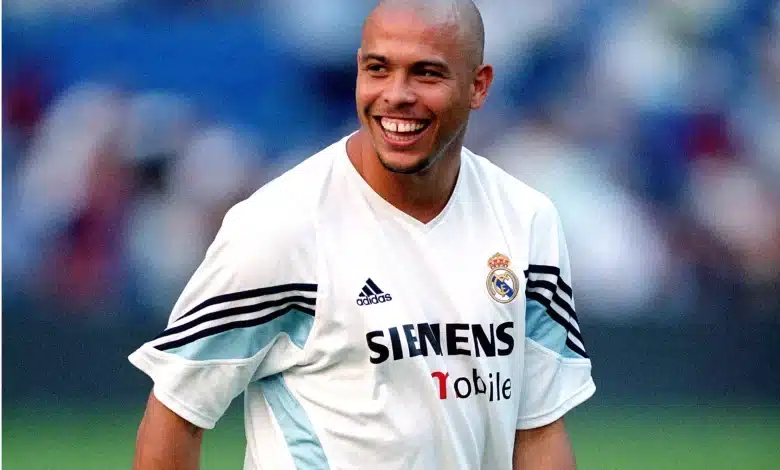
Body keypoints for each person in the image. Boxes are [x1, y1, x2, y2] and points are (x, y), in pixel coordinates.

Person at [129, 1, 595, 469]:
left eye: (426, 73)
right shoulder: (280, 225)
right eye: (378, 69)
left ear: (479, 86)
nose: (396, 94)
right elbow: (177, 413)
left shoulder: (526, 220)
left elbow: (539, 432)